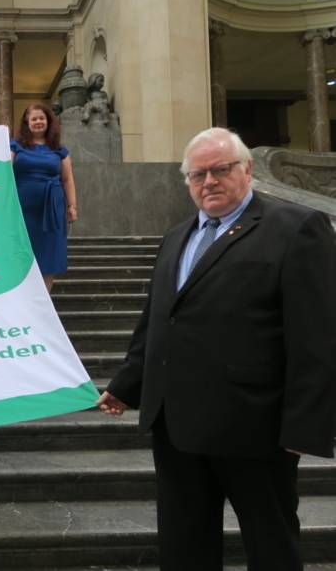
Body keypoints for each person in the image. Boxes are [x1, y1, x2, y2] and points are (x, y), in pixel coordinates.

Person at [98, 127, 336, 571]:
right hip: (177, 427)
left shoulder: (297, 228)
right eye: (197, 174)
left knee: (271, 545)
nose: (208, 181)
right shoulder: (176, 237)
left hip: (256, 430)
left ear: (246, 170)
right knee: (184, 547)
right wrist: (127, 384)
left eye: (220, 170)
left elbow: (316, 337)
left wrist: (304, 428)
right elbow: (158, 320)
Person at [10, 103, 78, 290]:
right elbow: (3, 170)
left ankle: (44, 305)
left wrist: (72, 206)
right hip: (22, 211)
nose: (38, 122)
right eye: (34, 119)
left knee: (48, 258)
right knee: (22, 255)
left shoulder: (59, 150)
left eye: (42, 118)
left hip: (52, 210)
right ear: (27, 122)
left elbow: (67, 179)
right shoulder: (15, 146)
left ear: (48, 122)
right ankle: (23, 304)